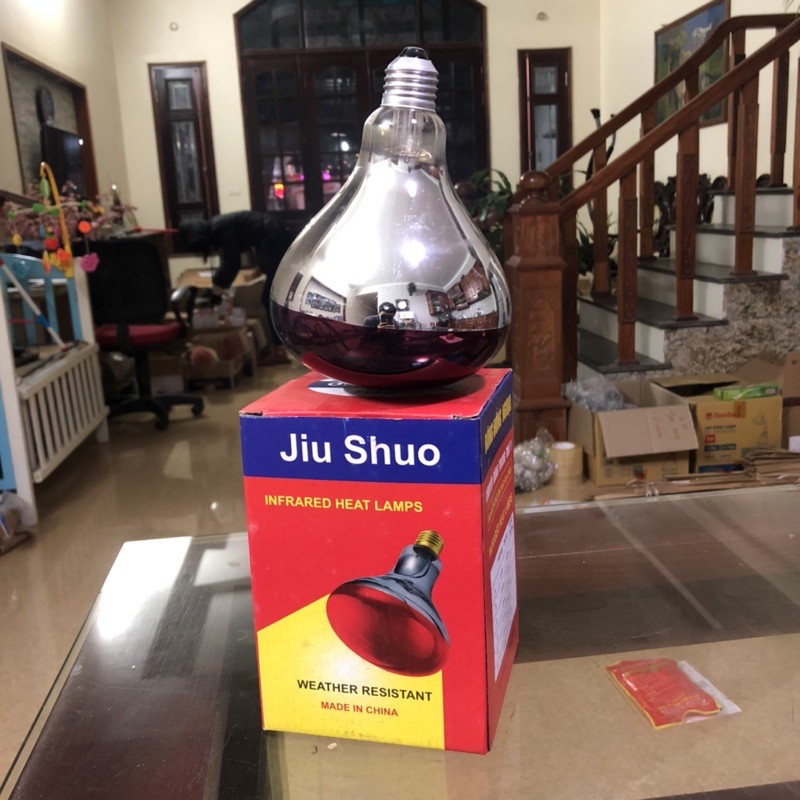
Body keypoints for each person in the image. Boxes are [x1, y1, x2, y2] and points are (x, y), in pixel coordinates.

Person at [178, 210, 294, 365]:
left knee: (269, 298)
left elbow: (231, 263)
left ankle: (280, 350)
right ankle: (280, 347)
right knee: (271, 297)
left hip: (275, 238)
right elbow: (229, 262)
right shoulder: (217, 227)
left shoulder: (219, 229)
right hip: (274, 235)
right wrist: (216, 288)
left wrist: (216, 292)